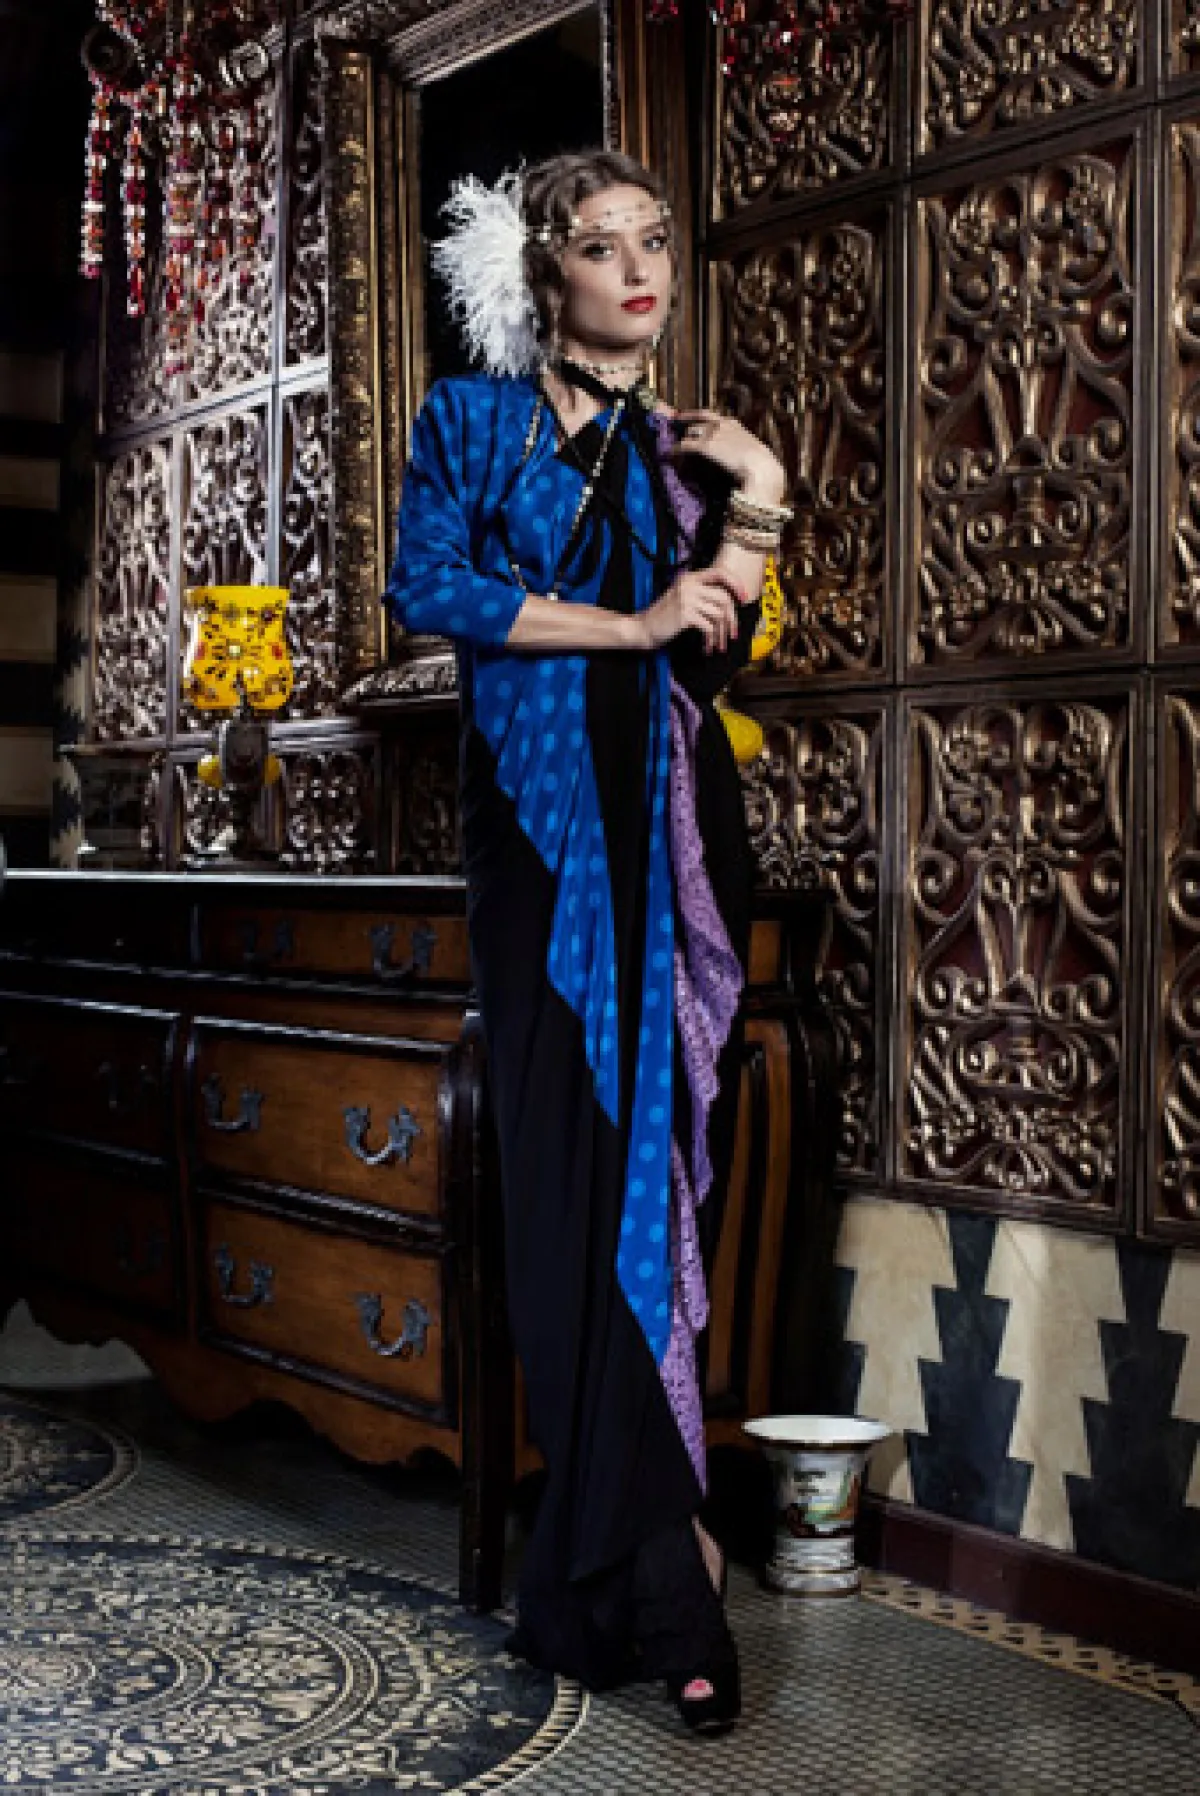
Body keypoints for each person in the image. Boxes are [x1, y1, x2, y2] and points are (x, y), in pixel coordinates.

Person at [384, 149, 789, 1734]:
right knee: (563, 1200)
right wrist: (629, 621)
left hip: (669, 841)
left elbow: (715, 647)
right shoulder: (470, 421)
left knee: (654, 1183)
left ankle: (663, 1578)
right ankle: (659, 1553)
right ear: (543, 276)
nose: (637, 268)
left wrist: (759, 492)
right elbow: (433, 588)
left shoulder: (688, 456)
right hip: (539, 845)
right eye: (602, 245)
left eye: (654, 241)